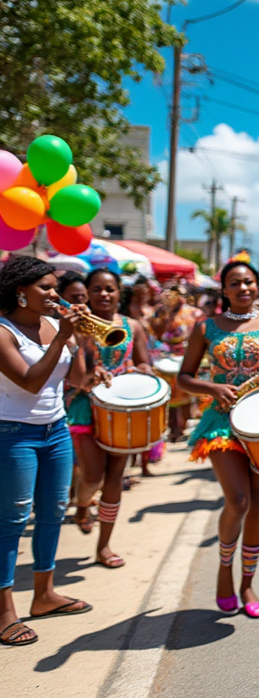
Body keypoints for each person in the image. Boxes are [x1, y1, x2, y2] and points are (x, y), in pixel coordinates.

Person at [177, 259, 259, 619]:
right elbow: (184, 377)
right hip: (222, 422)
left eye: (248, 282)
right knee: (238, 499)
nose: (243, 288)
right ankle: (223, 570)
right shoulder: (205, 328)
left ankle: (247, 583)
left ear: (257, 286)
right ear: (224, 290)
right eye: (235, 283)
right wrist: (213, 388)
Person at [1, 256, 96, 646]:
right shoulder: (3, 332)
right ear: (21, 291)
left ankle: (44, 595)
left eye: (56, 288)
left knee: (54, 511)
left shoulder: (56, 325)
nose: (55, 295)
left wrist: (82, 339)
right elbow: (29, 382)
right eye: (47, 288)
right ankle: (5, 612)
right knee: (13, 519)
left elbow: (79, 380)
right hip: (13, 433)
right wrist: (61, 339)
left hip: (55, 430)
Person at [66, 268, 154, 568]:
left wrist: (142, 371)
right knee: (92, 476)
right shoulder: (74, 325)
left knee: (115, 478)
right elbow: (72, 373)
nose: (104, 294)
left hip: (122, 410)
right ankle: (82, 504)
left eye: (110, 289)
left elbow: (144, 363)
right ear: (87, 294)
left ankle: (104, 546)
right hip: (86, 407)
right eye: (97, 289)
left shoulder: (133, 326)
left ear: (119, 292)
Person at [150, 285, 200, 444]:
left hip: (187, 355)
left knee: (186, 394)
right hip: (167, 356)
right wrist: (165, 316)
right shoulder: (161, 312)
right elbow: (156, 333)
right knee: (170, 396)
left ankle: (183, 426)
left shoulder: (193, 312)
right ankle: (173, 428)